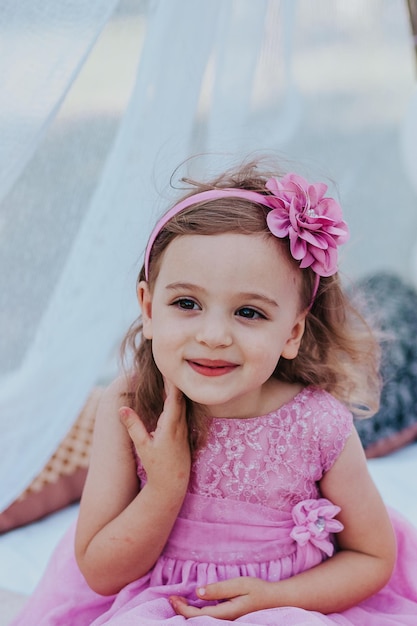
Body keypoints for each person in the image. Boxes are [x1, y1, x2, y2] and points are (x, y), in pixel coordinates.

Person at [12, 159, 417, 625]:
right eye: (187, 303)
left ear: (292, 332)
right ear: (148, 308)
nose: (213, 335)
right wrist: (165, 486)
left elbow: (371, 558)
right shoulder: (130, 406)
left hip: (283, 606)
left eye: (249, 313)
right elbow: (102, 573)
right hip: (159, 608)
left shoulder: (317, 422)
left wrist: (275, 598)